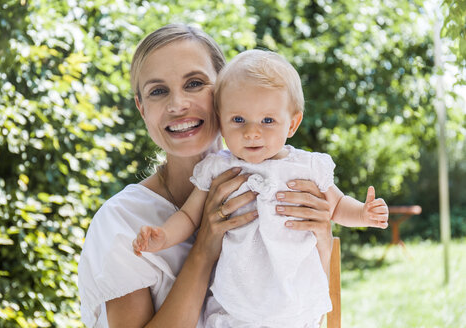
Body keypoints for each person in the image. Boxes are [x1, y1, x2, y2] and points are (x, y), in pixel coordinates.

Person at [78, 24, 339, 328]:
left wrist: (321, 238)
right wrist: (203, 249)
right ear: (142, 108)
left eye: (194, 83)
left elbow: (304, 311)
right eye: (158, 91)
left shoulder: (280, 181)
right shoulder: (123, 222)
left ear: (222, 92)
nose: (177, 104)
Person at [133, 49, 389, 327]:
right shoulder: (218, 169)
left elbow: (336, 206)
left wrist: (363, 214)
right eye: (238, 120)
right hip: (235, 306)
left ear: (292, 123)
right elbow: (189, 216)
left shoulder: (307, 166)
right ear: (221, 119)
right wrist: (163, 236)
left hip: (297, 302)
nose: (252, 132)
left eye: (267, 121)